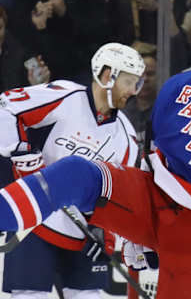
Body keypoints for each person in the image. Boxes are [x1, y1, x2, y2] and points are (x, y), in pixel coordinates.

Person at [0, 6, 191, 299]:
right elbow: (154, 155)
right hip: (152, 199)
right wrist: (132, 232)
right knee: (77, 172)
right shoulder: (181, 86)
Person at [0, 42, 144, 299]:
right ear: (108, 76)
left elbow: (120, 196)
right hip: (35, 221)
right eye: (129, 82)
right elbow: (6, 105)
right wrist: (20, 150)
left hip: (82, 233)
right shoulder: (65, 96)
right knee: (28, 296)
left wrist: (106, 238)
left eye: (138, 84)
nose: (134, 91)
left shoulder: (126, 137)